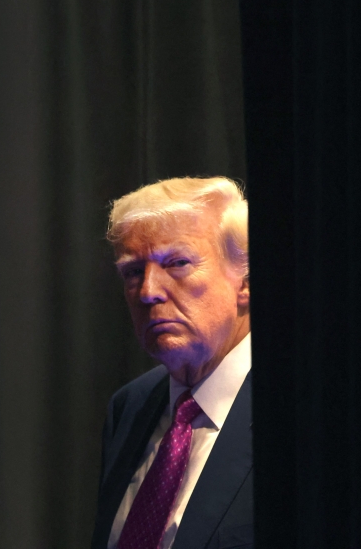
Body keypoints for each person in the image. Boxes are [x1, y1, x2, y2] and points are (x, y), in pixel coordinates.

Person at [91, 177, 253, 549]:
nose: (148, 292)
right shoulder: (131, 406)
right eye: (133, 271)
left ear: (245, 280)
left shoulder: (304, 407)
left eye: (177, 263)